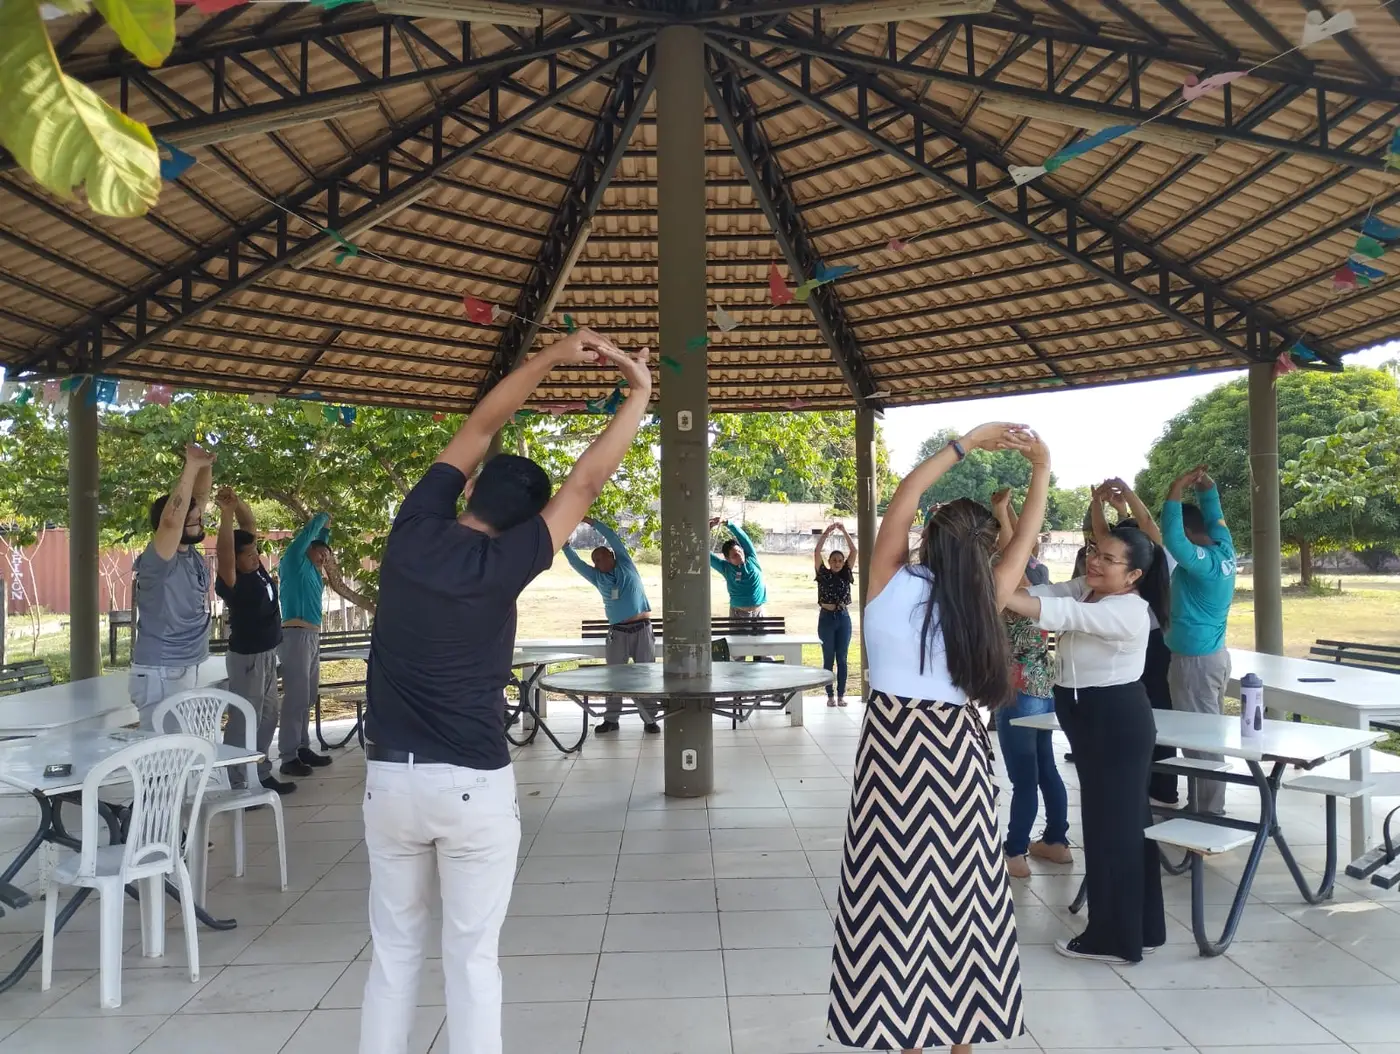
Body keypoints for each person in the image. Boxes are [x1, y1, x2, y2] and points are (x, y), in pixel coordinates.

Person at [358, 328, 650, 1054]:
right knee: (471, 958)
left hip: (390, 780)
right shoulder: (507, 561)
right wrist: (639, 392)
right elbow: (585, 484)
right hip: (471, 787)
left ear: (469, 490)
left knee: (394, 952)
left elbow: (482, 425)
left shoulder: (411, 530)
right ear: (527, 522)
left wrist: (549, 357)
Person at [829, 423, 1048, 1054]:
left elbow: (905, 492)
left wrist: (966, 444)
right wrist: (1041, 468)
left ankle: (904, 1032)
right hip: (958, 759)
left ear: (927, 534)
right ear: (987, 551)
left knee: (893, 901)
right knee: (963, 900)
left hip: (892, 758)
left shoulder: (887, 580)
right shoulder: (986, 598)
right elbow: (1026, 537)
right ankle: (963, 1038)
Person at [1003, 522, 1170, 965]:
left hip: (1114, 718)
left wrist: (995, 590)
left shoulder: (1128, 610)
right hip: (1091, 716)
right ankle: (1143, 929)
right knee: (1125, 825)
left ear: (1133, 575)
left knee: (1111, 829)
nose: (1094, 561)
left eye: (1108, 559)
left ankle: (1113, 939)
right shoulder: (1087, 589)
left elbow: (1056, 614)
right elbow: (1045, 594)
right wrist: (1008, 584)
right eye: (1095, 551)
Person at [990, 490, 1070, 880]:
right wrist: (1006, 512)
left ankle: (1015, 852)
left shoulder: (1019, 587)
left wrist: (1000, 513)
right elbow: (1021, 545)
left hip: (1019, 691)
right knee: (1045, 769)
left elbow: (1015, 554)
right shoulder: (1044, 581)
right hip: (1044, 689)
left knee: (1024, 778)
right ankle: (1056, 841)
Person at [1091, 478, 1180, 809]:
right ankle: (1158, 786)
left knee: (1151, 714)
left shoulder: (1156, 559)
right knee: (1149, 713)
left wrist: (1119, 496)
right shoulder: (1153, 563)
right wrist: (1103, 503)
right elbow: (1112, 534)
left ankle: (1159, 786)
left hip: (1150, 642)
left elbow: (1145, 524)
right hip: (1148, 641)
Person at [1161, 465, 1237, 817]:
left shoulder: (1204, 563)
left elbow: (1173, 539)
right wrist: (1208, 489)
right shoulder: (1225, 547)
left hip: (1195, 663)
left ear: (1191, 533)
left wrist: (1176, 488)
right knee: (1206, 734)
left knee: (1201, 741)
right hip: (1212, 657)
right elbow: (1215, 515)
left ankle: (1209, 813)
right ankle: (1203, 806)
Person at [213, 487, 294, 794]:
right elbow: (224, 552)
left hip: (267, 653)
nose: (255, 557)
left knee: (268, 715)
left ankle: (259, 772)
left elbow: (248, 526)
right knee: (245, 718)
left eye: (255, 552)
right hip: (248, 657)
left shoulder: (255, 567)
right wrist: (225, 514)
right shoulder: (232, 580)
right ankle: (239, 781)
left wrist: (237, 503)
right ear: (234, 559)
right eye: (247, 554)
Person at [131, 443, 215, 730]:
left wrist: (205, 466)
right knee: (164, 750)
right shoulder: (159, 560)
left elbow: (197, 500)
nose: (200, 523)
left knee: (183, 747)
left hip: (184, 665)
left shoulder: (188, 553)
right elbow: (171, 522)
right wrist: (190, 466)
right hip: (163, 670)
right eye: (193, 521)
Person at [564, 516, 660, 735]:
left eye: (600, 558)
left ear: (611, 555)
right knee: (614, 677)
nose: (597, 563)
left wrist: (591, 522)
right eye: (595, 561)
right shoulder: (597, 577)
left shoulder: (625, 563)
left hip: (642, 629)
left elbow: (613, 537)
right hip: (618, 633)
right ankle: (611, 720)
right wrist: (566, 546)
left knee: (645, 675)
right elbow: (577, 564)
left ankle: (650, 719)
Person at [277, 511, 334, 778]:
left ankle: (302, 747)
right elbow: (307, 537)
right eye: (320, 553)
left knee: (307, 697)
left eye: (326, 556)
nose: (323, 558)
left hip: (311, 636)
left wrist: (326, 532)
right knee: (296, 698)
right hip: (295, 635)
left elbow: (320, 542)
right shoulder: (294, 562)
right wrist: (322, 518)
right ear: (308, 549)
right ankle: (288, 756)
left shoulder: (312, 571)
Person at [814, 523, 856, 707]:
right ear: (829, 562)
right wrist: (827, 532)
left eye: (840, 560)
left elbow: (854, 551)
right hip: (826, 618)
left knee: (842, 658)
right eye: (834, 560)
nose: (837, 563)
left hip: (843, 618)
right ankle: (830, 695)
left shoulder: (846, 573)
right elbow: (817, 552)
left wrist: (844, 531)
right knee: (828, 658)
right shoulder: (823, 573)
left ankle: (841, 695)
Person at [708, 517, 766, 620]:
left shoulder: (752, 558)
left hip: (759, 612)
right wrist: (706, 531)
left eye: (739, 551)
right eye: (734, 555)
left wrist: (727, 523)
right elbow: (705, 554)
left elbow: (744, 538)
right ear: (728, 559)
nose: (739, 555)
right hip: (738, 614)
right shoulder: (725, 568)